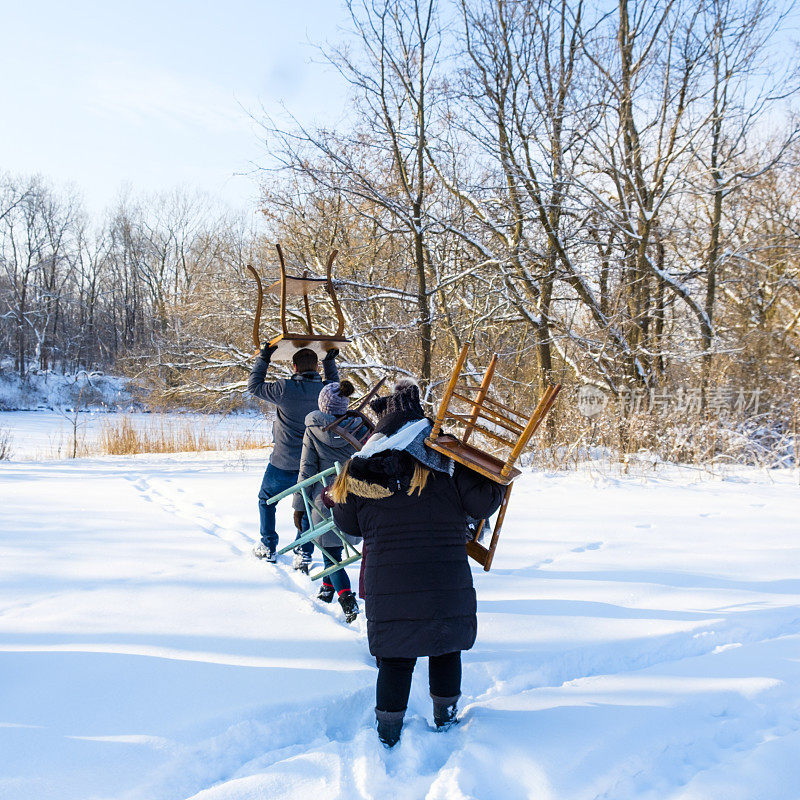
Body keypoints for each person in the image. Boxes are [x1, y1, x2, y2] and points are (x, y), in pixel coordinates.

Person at [329, 379, 504, 747]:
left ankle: (388, 734)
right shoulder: (449, 462)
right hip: (446, 581)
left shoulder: (361, 468)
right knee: (445, 649)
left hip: (389, 587)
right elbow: (486, 501)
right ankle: (446, 721)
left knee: (394, 659)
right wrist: (494, 477)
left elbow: (348, 525)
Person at [248, 343, 339, 565]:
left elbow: (254, 386)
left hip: (282, 462)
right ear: (317, 367)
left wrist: (265, 357)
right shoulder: (324, 392)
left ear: (295, 367)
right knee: (308, 507)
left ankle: (268, 545)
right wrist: (330, 362)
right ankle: (304, 551)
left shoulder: (284, 389)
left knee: (266, 500)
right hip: (312, 466)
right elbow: (335, 386)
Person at [293, 380, 361, 621]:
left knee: (330, 551)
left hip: (325, 498)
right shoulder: (360, 427)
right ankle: (327, 588)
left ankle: (346, 598)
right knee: (331, 546)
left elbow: (307, 469)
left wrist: (298, 506)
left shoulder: (313, 429)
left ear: (322, 404)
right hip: (354, 498)